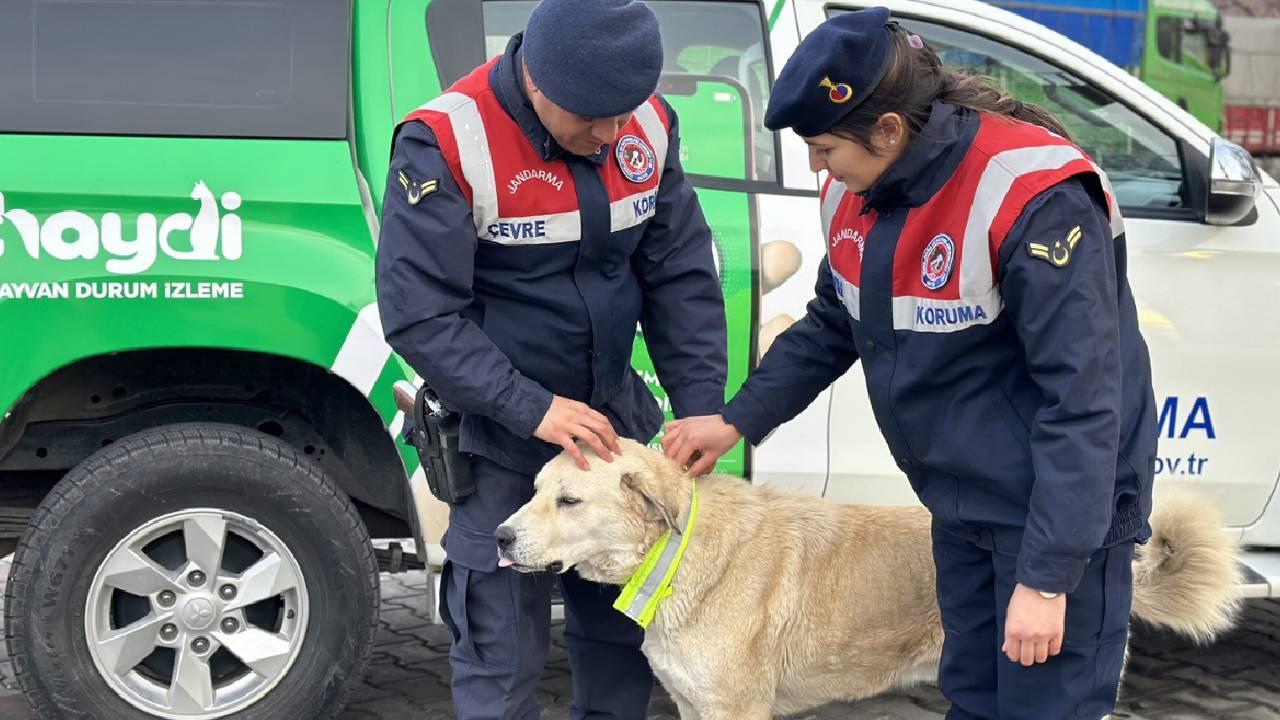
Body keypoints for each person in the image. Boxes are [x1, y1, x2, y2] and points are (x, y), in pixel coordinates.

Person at [661, 8, 1157, 720]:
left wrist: (1047, 583)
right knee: (977, 700)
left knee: (1044, 709)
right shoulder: (858, 189)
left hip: (1055, 514)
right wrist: (736, 421)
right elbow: (834, 323)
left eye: (825, 147)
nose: (814, 168)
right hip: (961, 505)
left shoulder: (1030, 197)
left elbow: (1082, 403)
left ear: (889, 130)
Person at [374, 0, 728, 717]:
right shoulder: (447, 140)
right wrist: (531, 408)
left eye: (623, 114)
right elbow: (420, 315)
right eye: (592, 117)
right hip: (500, 439)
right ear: (536, 78)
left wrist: (697, 401)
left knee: (621, 648)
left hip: (612, 432)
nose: (611, 134)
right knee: (500, 658)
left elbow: (679, 273)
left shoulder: (644, 123)